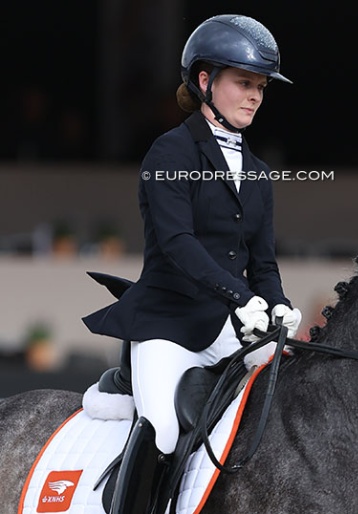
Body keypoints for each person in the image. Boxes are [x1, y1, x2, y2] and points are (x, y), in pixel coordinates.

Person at [82, 14, 302, 514]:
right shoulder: (170, 151)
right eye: (244, 83)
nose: (255, 97)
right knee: (161, 429)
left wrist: (279, 304)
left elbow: (262, 263)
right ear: (204, 81)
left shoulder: (259, 172)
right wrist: (242, 297)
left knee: (290, 405)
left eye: (261, 87)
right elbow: (178, 245)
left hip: (230, 326)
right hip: (169, 325)